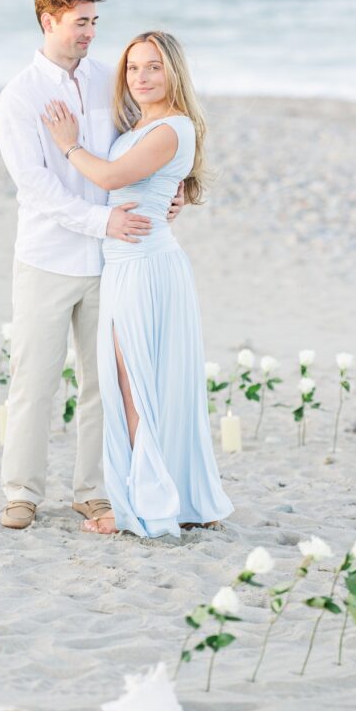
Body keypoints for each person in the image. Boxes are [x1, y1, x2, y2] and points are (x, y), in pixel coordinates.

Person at [0, 0, 183, 530]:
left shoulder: (111, 80)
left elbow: (144, 143)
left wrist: (168, 197)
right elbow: (36, 188)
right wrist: (102, 222)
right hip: (47, 257)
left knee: (102, 380)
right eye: (81, 23)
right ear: (49, 20)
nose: (90, 33)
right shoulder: (20, 96)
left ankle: (94, 490)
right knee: (35, 378)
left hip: (112, 261)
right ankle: (22, 492)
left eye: (95, 22)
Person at [42, 31, 234, 537]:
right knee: (149, 385)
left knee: (135, 387)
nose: (140, 78)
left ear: (173, 71)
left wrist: (68, 145)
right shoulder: (144, 124)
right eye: (132, 69)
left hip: (145, 267)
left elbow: (108, 178)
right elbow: (160, 182)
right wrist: (178, 194)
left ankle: (143, 508)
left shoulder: (171, 127)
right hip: (128, 263)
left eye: (152, 68)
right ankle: (178, 498)